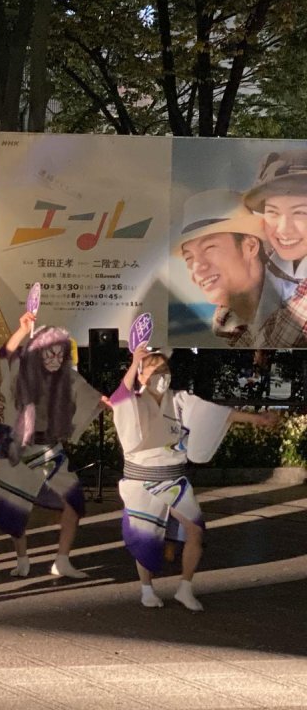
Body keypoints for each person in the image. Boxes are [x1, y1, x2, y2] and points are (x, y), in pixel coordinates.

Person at [111, 344, 277, 610]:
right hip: (141, 479)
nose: (162, 375)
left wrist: (256, 419)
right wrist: (134, 363)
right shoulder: (133, 402)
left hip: (174, 478)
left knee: (195, 531)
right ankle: (146, 588)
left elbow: (216, 414)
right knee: (146, 537)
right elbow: (120, 397)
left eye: (165, 370)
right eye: (155, 371)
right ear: (141, 376)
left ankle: (185, 588)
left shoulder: (179, 400)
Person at [0, 312, 106, 579]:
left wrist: (111, 402)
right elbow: (6, 354)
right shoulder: (22, 372)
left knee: (74, 503)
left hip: (51, 450)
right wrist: (22, 330)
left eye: (59, 354)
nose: (54, 359)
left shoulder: (68, 379)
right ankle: (21, 558)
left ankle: (61, 560)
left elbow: (91, 396)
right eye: (48, 354)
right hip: (20, 449)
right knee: (15, 509)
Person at [176, 189, 288, 347]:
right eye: (189, 258)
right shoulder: (226, 329)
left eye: (209, 248)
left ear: (250, 246)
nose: (197, 268)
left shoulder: (297, 294)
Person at [242, 150, 307, 346]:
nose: (283, 229)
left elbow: (276, 341)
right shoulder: (262, 262)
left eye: (300, 213)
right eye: (273, 212)